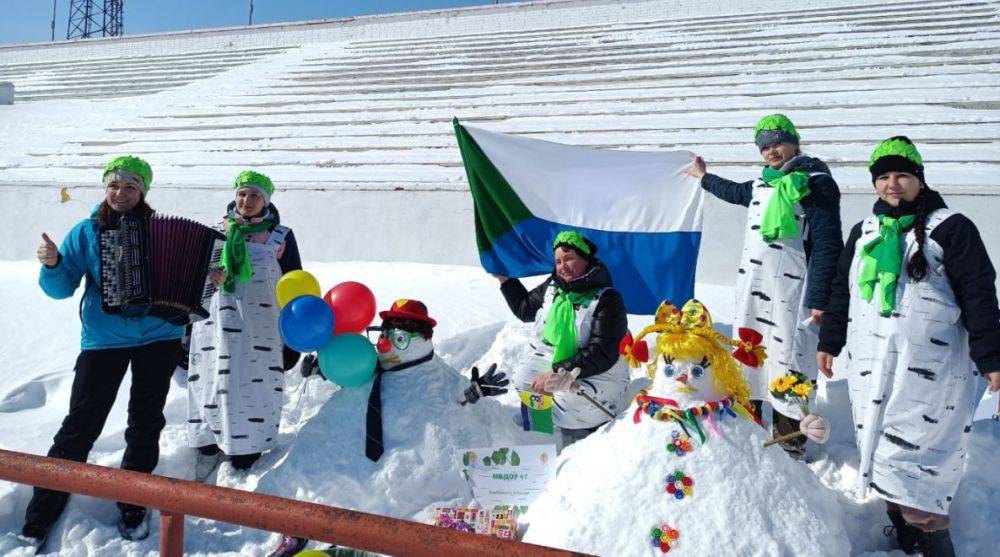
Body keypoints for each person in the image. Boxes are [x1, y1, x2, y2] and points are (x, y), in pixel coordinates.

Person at [817, 137, 1000, 557]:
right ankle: (905, 537)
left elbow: (978, 295)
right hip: (872, 366)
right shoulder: (863, 232)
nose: (892, 185)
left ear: (919, 178)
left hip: (931, 371)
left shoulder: (952, 228)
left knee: (921, 459)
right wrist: (831, 342)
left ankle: (933, 543)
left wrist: (992, 358)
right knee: (882, 451)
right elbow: (840, 292)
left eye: (902, 175)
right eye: (883, 177)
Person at [268, 299, 512, 557]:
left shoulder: (438, 378)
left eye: (396, 338)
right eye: (382, 335)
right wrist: (324, 368)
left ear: (421, 340)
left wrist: (475, 393)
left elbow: (460, 401)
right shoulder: (372, 368)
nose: (384, 344)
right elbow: (351, 368)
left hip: (416, 485)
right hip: (357, 477)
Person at [24, 156, 183, 542]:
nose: (120, 193)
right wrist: (52, 264)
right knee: (80, 425)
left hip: (160, 336)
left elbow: (189, 280)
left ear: (143, 191)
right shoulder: (85, 232)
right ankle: (40, 514)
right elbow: (62, 289)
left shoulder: (162, 231)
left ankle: (132, 505)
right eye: (114, 185)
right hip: (104, 339)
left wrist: (209, 277)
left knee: (145, 423)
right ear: (104, 187)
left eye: (130, 186)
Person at [683, 113, 843, 459]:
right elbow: (735, 191)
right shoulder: (762, 183)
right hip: (752, 292)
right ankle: (752, 437)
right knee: (750, 359)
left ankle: (789, 447)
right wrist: (704, 177)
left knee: (789, 361)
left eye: (777, 143)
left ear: (794, 142)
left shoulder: (816, 182)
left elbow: (829, 243)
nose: (771, 151)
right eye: (765, 146)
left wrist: (820, 299)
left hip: (793, 294)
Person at [186, 170, 302, 479]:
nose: (246, 200)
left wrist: (292, 339)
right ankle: (209, 445)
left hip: (261, 329)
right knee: (212, 381)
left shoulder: (281, 237)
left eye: (254, 195)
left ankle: (247, 451)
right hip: (216, 327)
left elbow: (294, 284)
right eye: (241, 194)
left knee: (254, 385)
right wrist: (207, 276)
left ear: (266, 201)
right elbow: (187, 281)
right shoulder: (213, 232)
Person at [494, 230, 630, 445]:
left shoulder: (608, 299)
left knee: (569, 409)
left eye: (569, 259)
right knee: (524, 380)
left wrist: (559, 372)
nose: (562, 266)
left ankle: (591, 428)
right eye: (558, 261)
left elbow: (603, 352)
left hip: (601, 372)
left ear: (585, 260)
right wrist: (505, 280)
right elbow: (524, 309)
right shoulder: (554, 287)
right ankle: (540, 435)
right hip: (557, 360)